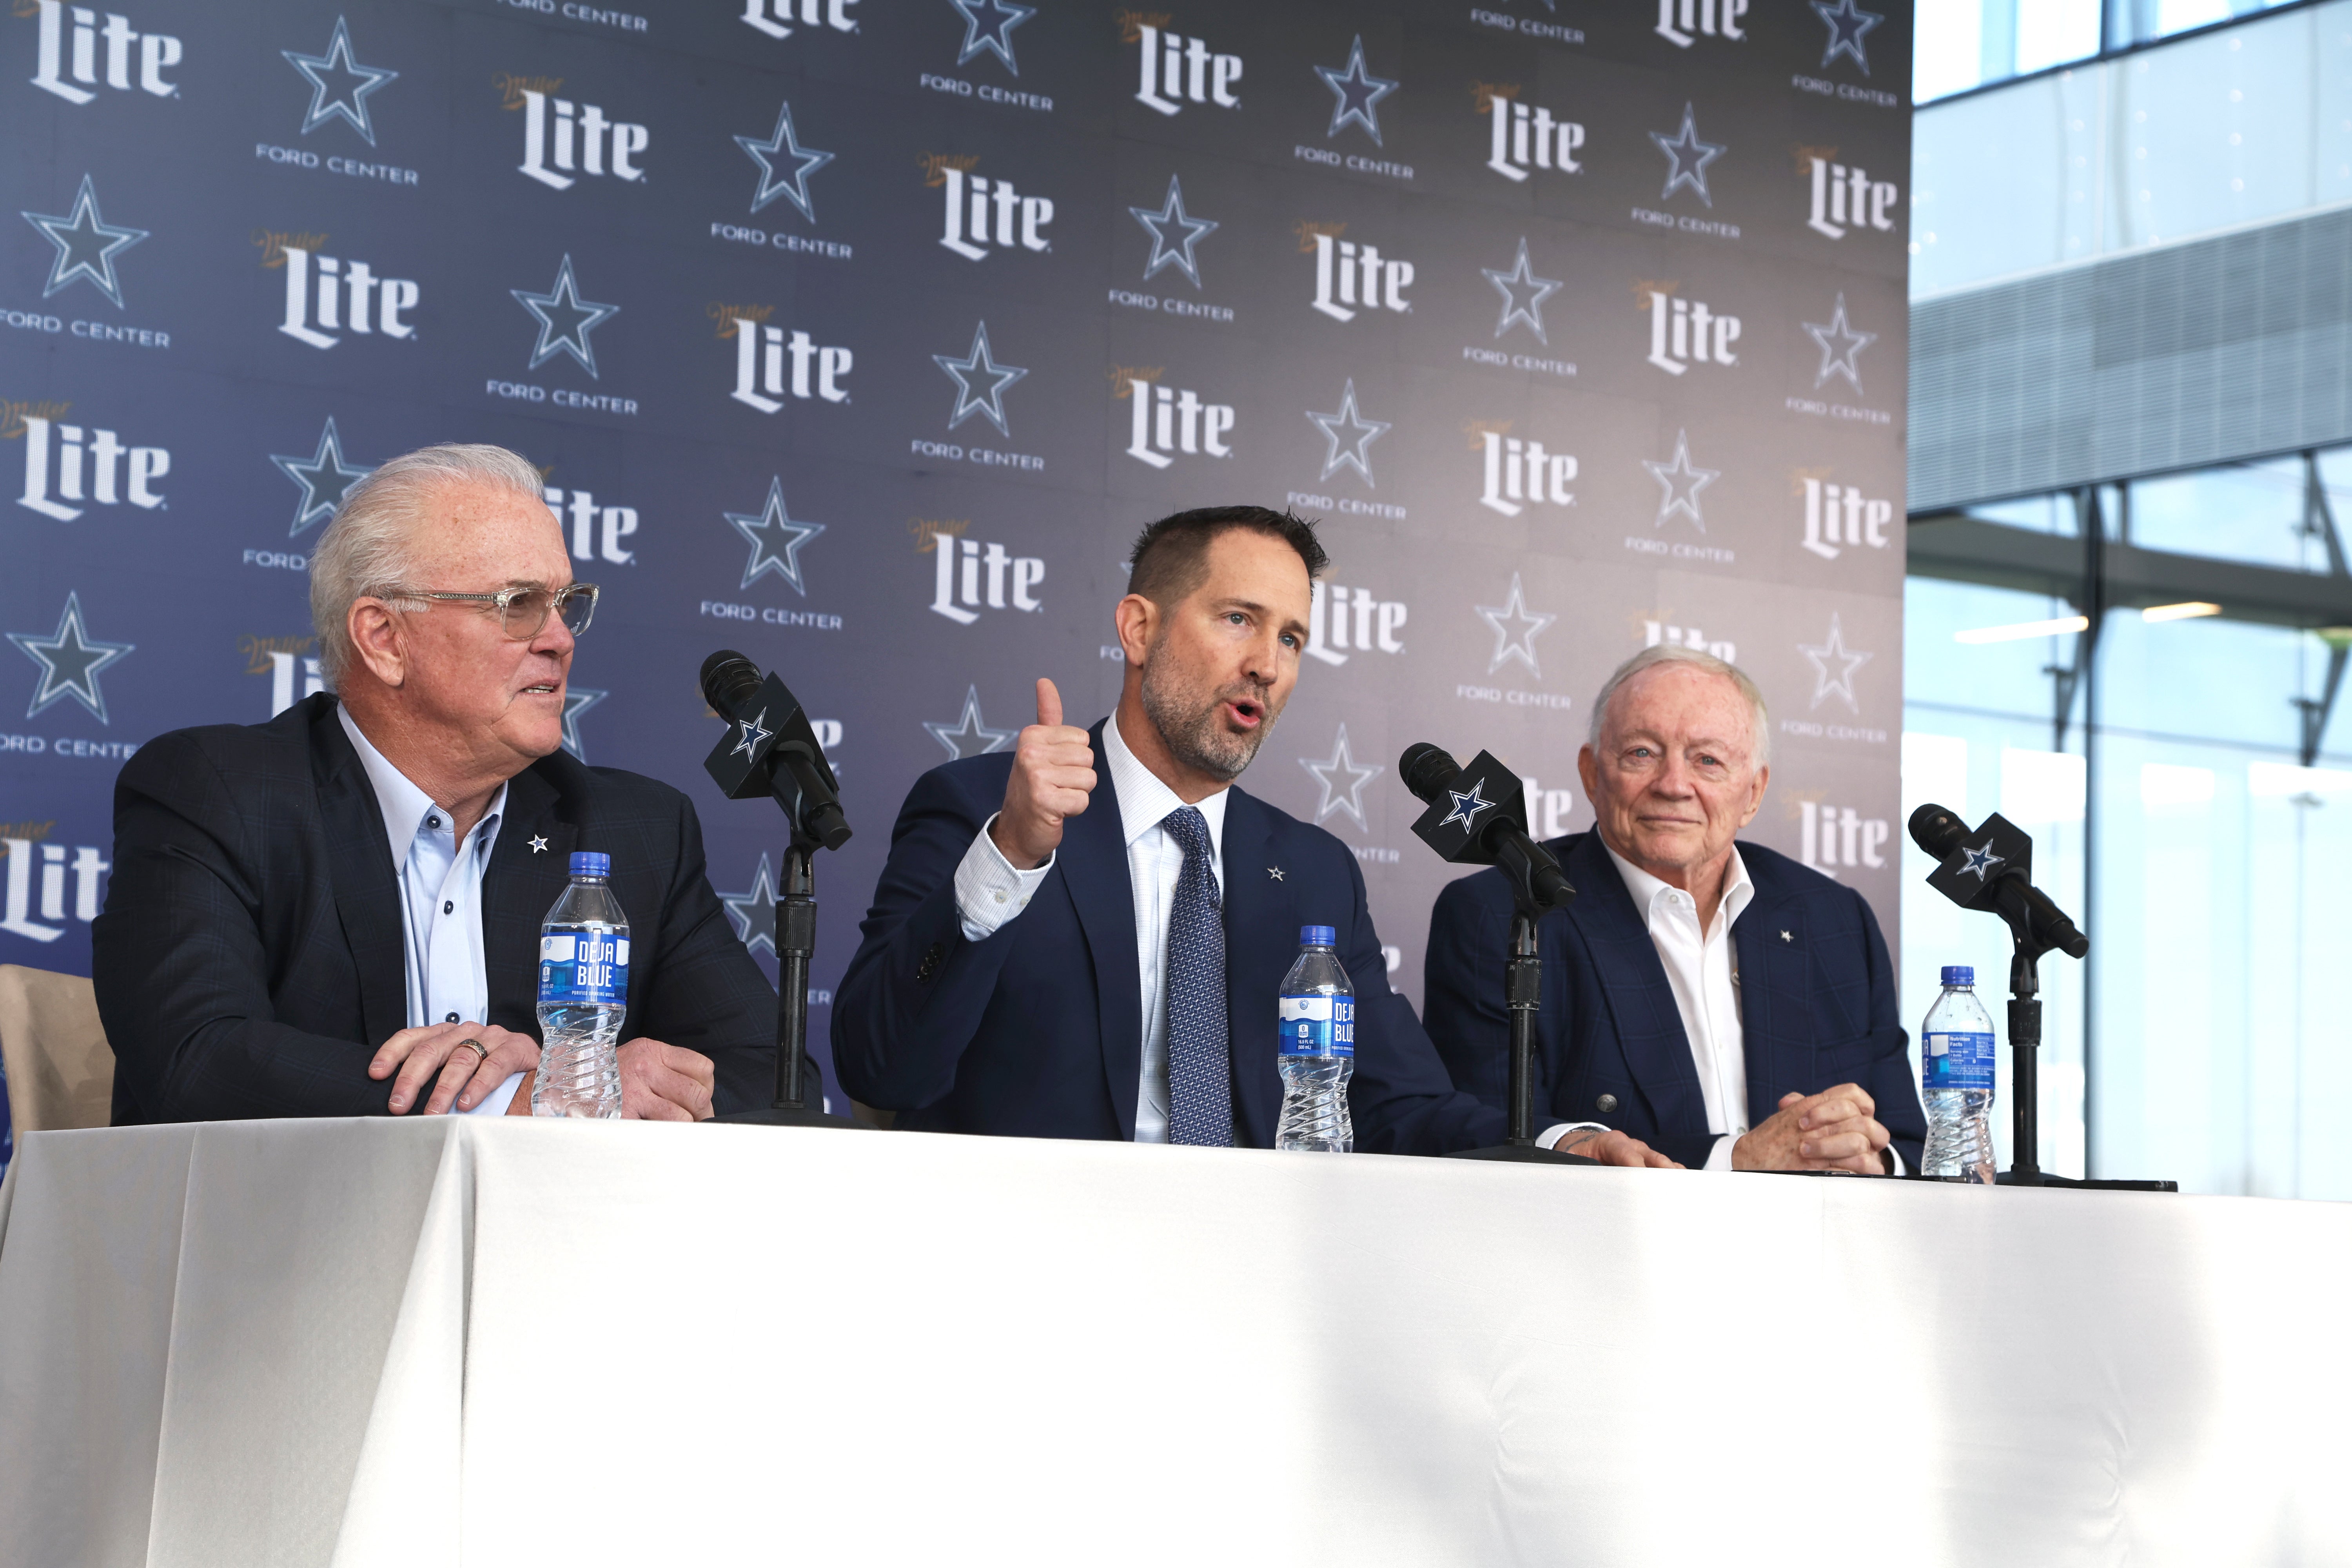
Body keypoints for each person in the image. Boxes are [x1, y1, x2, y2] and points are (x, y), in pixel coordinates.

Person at [833, 505, 1670, 1163]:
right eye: (1239, 618)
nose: (1268, 663)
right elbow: (883, 1068)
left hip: (1254, 1280)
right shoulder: (980, 807)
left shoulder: (1313, 870)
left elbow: (1394, 1101)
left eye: (1292, 638)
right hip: (1038, 1274)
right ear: (1138, 628)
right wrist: (1012, 854)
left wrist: (1559, 1145)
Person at [95, 444, 782, 1124]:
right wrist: (516, 1104)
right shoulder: (221, 794)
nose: (560, 640)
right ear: (385, 639)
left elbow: (772, 1077)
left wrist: (601, 1086)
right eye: (517, 605)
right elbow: (194, 1059)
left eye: (566, 603)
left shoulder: (635, 829)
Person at [1422, 644, 1926, 1174]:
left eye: (1707, 760)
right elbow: (1492, 1143)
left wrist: (1873, 1160)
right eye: (1642, 753)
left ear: (1753, 793)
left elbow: (1908, 1146)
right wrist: (1734, 1161)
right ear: (1592, 774)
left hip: (1818, 1248)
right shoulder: (1501, 912)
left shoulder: (1835, 921)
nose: (1674, 786)